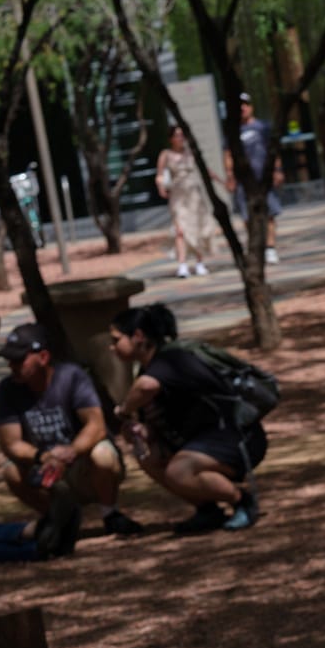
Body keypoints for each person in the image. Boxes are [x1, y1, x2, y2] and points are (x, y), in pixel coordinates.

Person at [109, 303, 264, 534]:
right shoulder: (148, 369)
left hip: (237, 439)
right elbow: (154, 423)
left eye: (116, 340)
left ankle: (242, 501)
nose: (112, 347)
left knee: (178, 471)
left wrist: (123, 410)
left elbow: (146, 387)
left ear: (138, 336)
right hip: (199, 443)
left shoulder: (172, 359)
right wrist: (141, 432)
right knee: (148, 458)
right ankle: (207, 509)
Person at [0, 321, 144, 539]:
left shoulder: (72, 376)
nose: (12, 366)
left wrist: (70, 452)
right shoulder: (7, 389)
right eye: (10, 360)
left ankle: (110, 514)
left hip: (81, 465)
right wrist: (43, 456)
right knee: (11, 471)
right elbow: (10, 443)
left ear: (43, 357)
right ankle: (61, 519)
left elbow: (96, 426)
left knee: (103, 453)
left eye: (19, 360)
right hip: (43, 468)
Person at [225, 93, 283, 265]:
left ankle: (270, 248)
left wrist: (277, 170)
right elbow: (227, 154)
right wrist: (230, 175)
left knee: (269, 213)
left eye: (245, 104)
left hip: (263, 178)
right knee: (247, 216)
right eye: (239, 105)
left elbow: (273, 150)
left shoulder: (263, 127)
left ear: (251, 107)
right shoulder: (233, 131)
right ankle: (256, 247)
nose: (242, 108)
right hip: (243, 181)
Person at [156, 125, 218, 279]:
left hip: (195, 196)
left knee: (197, 228)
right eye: (177, 135)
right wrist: (161, 187)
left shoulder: (191, 153)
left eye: (182, 135)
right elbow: (160, 175)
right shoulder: (166, 154)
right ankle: (182, 265)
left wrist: (222, 181)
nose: (180, 138)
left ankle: (199, 263)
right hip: (178, 197)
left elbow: (206, 170)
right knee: (180, 231)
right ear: (171, 138)